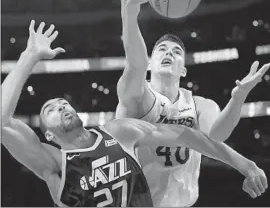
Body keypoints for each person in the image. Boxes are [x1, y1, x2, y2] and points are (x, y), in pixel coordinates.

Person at [1, 21, 268, 207]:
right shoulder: (54, 164)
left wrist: (245, 165)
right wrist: (29, 56)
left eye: (63, 103)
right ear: (47, 133)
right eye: (51, 109)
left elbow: (187, 136)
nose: (61, 107)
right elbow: (2, 123)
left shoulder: (119, 132)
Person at [112, 0, 270, 206]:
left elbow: (216, 136)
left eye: (176, 52)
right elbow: (134, 62)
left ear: (183, 70)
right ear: (150, 63)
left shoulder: (199, 105)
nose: (169, 53)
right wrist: (129, 18)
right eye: (162, 50)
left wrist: (237, 99)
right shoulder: (136, 97)